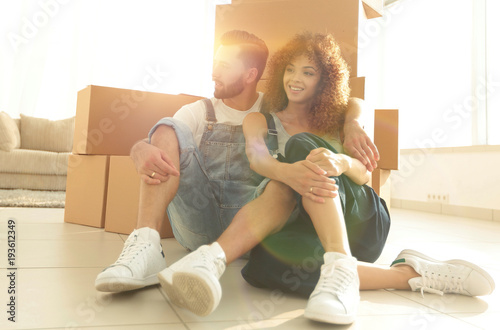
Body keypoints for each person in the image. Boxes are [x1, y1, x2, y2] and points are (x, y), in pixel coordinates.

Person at [158, 31, 495, 325]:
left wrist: (340, 160)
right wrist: (288, 173)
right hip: (308, 229)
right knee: (262, 268)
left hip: (361, 222)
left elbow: (364, 174)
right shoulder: (261, 120)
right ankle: (407, 274)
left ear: (325, 80)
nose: (295, 78)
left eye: (308, 72)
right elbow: (257, 157)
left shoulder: (338, 121)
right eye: (290, 69)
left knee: (305, 149)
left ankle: (224, 257)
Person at [94, 30, 378, 294]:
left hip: (253, 222)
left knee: (283, 180)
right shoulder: (199, 111)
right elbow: (158, 142)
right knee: (169, 126)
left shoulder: (277, 109)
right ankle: (146, 244)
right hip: (197, 220)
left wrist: (353, 122)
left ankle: (216, 258)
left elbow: (348, 101)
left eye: (224, 65)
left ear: (250, 74)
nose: (214, 72)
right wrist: (139, 149)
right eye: (216, 63)